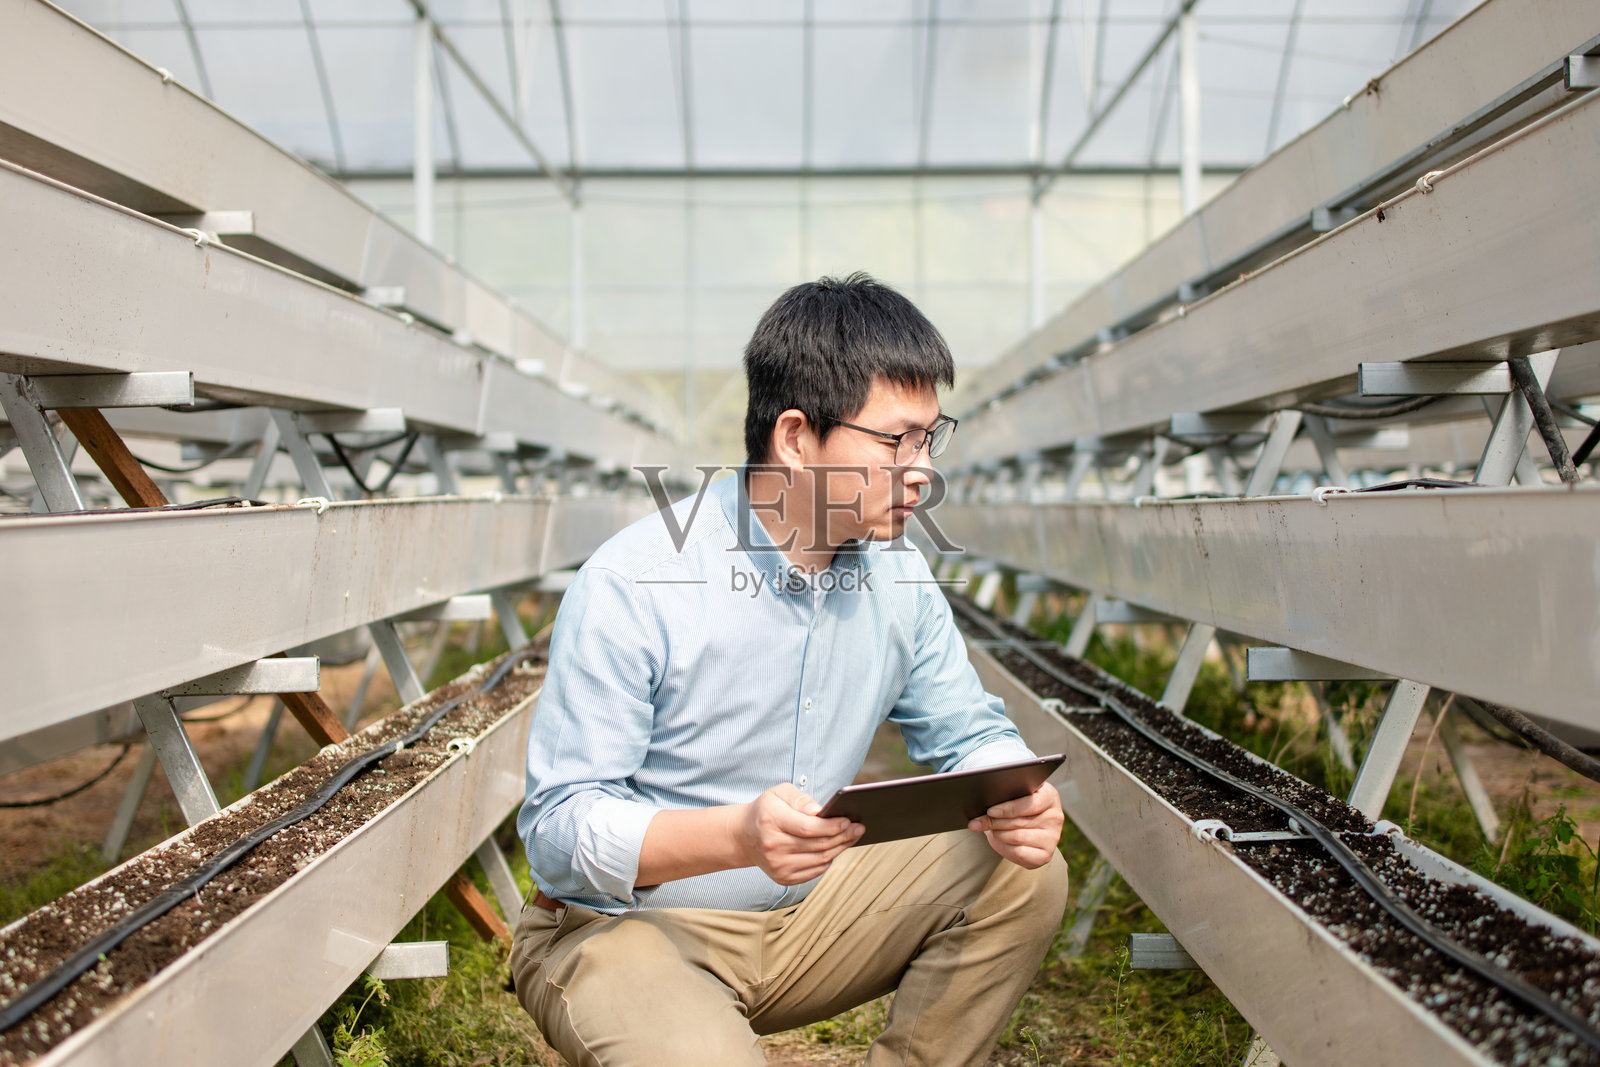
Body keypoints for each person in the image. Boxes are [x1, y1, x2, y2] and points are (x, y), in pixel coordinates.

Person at [512, 272, 1069, 1066]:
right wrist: (737, 834)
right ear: (797, 437)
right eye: (894, 440)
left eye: (930, 436)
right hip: (624, 928)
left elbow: (967, 729)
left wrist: (1013, 789)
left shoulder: (899, 577)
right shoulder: (636, 582)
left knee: (1023, 871)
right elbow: (559, 833)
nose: (922, 469)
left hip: (805, 917)